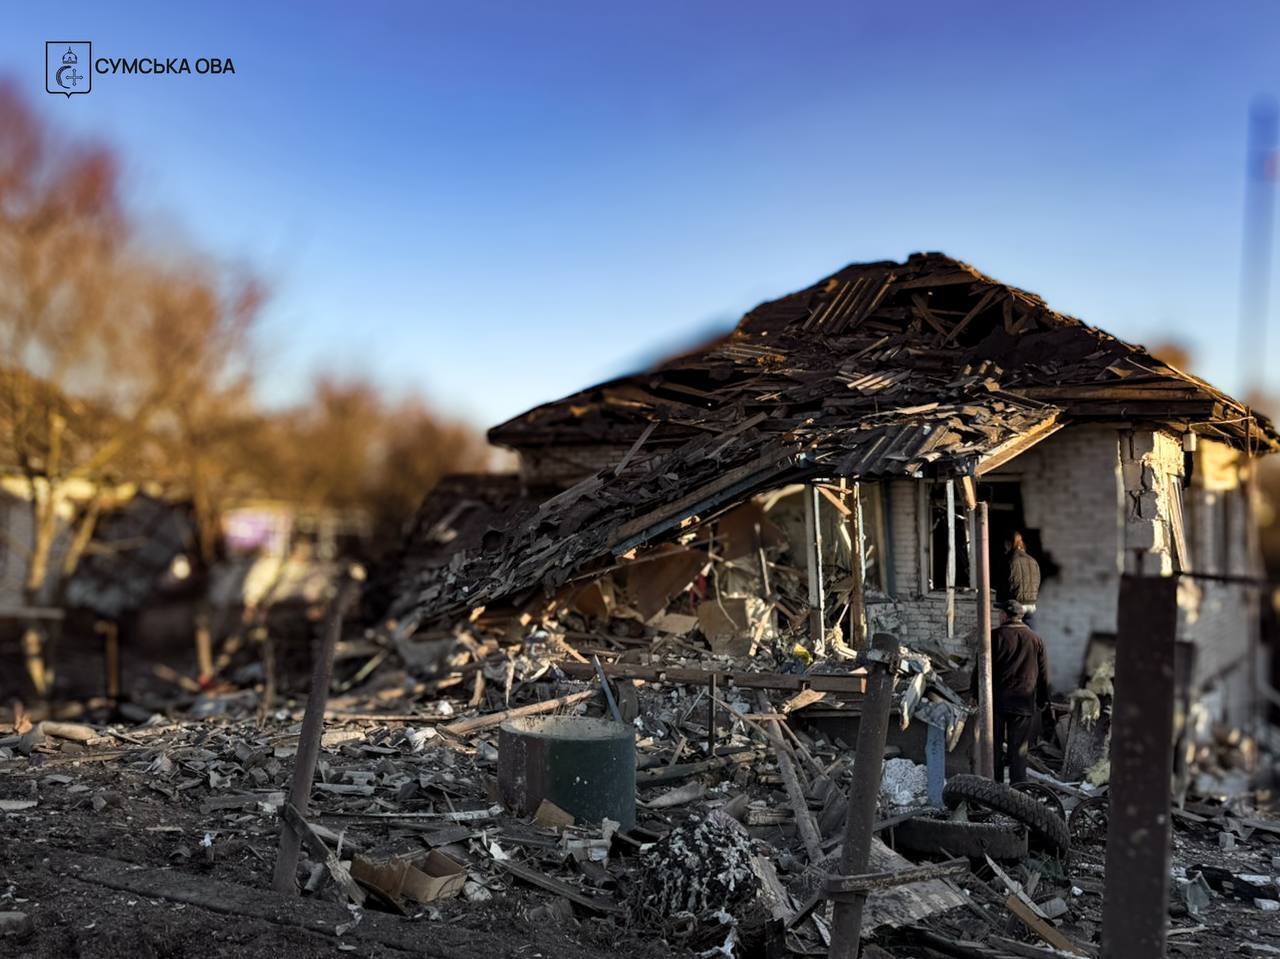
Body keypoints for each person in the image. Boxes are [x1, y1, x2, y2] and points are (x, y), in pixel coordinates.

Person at [986, 599, 1050, 784]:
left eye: (999, 613)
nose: (998, 616)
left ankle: (995, 786)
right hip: (1023, 701)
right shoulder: (1035, 640)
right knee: (1019, 749)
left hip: (997, 701)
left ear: (1005, 615)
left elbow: (982, 667)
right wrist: (1043, 700)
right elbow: (1043, 673)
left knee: (994, 747)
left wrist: (976, 694)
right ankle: (1018, 788)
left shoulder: (994, 637)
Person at [1006, 531, 1041, 627]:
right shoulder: (1033, 561)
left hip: (1016, 604)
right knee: (1029, 636)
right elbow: (1038, 582)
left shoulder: (1009, 560)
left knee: (1014, 634)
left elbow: (1004, 583)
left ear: (1009, 544)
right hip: (1032, 604)